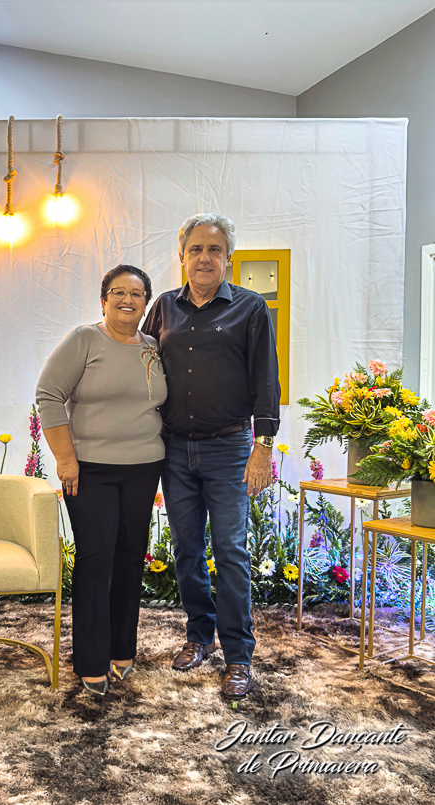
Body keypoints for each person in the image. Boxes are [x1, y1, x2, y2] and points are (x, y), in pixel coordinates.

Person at [142, 213, 280, 700]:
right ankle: (199, 637)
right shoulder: (163, 307)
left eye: (214, 250)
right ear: (181, 256)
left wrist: (262, 448)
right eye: (196, 249)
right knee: (186, 549)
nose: (204, 258)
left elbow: (266, 380)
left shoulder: (250, 308)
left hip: (229, 449)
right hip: (174, 450)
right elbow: (139, 365)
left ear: (228, 258)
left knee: (231, 552)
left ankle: (239, 656)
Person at [36, 265, 167, 697]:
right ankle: (91, 659)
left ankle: (121, 649)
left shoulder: (152, 347)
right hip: (89, 470)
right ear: (103, 299)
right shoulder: (84, 340)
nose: (127, 300)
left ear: (146, 302)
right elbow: (48, 395)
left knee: (130, 558)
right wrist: (65, 458)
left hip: (144, 467)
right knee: (96, 561)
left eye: (137, 294)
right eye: (118, 292)